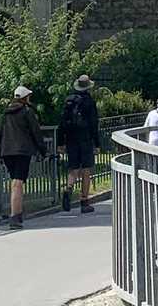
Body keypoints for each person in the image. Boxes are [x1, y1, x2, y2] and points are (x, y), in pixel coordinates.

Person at [0, 85, 47, 230]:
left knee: (14, 181)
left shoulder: (6, 113)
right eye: (28, 96)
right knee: (18, 182)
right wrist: (43, 151)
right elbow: (36, 132)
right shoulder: (27, 112)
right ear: (25, 98)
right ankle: (15, 216)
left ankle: (17, 213)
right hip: (22, 151)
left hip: (7, 151)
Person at [60, 74, 100, 214]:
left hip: (71, 138)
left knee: (73, 168)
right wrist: (97, 143)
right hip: (86, 139)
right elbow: (94, 124)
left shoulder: (69, 101)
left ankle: (68, 188)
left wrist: (61, 142)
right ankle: (84, 201)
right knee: (86, 170)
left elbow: (62, 122)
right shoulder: (89, 102)